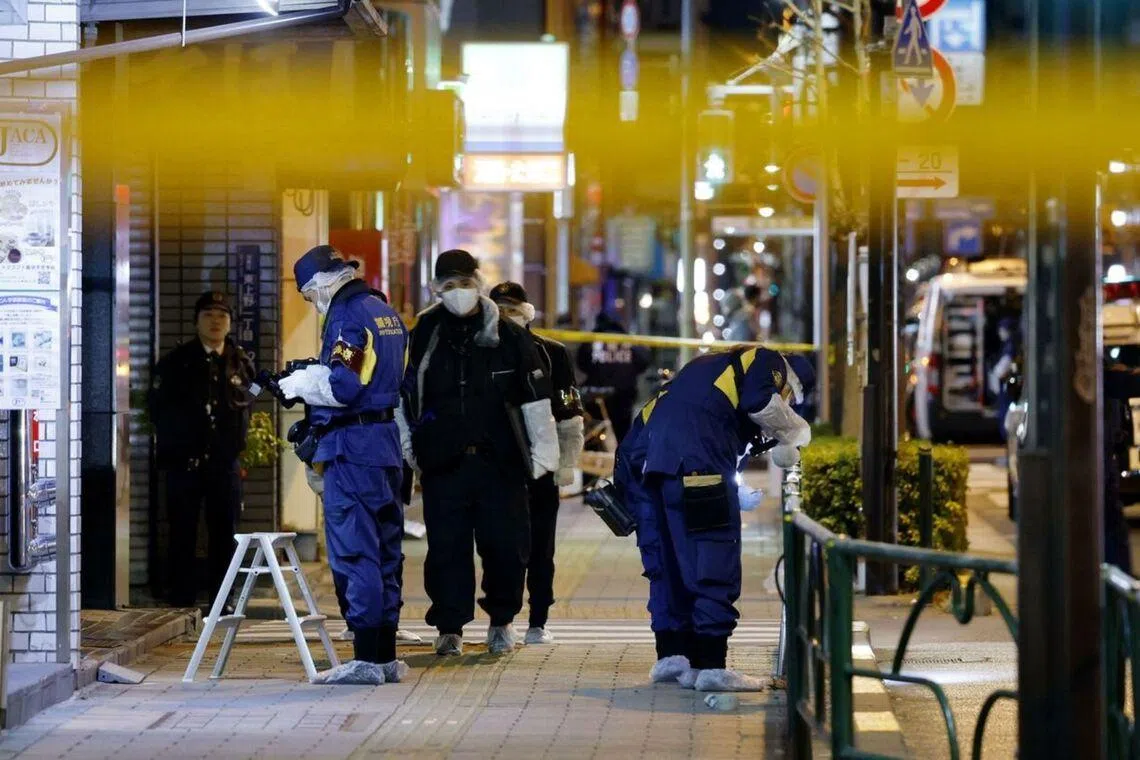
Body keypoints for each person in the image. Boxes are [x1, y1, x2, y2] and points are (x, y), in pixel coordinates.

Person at [397, 250, 559, 657]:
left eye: (465, 284)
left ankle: (501, 620)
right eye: (449, 286)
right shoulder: (425, 331)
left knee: (506, 547)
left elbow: (535, 399)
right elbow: (405, 394)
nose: (458, 293)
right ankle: (449, 626)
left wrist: (546, 457)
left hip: (500, 463)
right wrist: (411, 449)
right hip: (443, 463)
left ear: (478, 283)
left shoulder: (508, 334)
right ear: (436, 290)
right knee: (447, 550)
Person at [631, 346, 816, 692]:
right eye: (790, 398)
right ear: (791, 381)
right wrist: (795, 431)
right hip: (700, 469)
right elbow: (761, 404)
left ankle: (673, 658)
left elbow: (649, 423)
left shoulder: (708, 369)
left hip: (656, 467)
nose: (787, 404)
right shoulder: (767, 360)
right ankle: (711, 667)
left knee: (670, 566)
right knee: (713, 560)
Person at [276, 244, 408, 686]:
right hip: (385, 444)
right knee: (386, 552)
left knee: (357, 551)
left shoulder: (349, 316)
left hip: (354, 447)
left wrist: (302, 384)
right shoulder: (383, 311)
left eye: (310, 296)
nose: (313, 304)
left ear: (322, 283)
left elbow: (345, 386)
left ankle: (367, 658)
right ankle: (385, 656)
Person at [489, 282, 585, 645]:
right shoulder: (484, 351)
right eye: (499, 307)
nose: (506, 315)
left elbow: (569, 411)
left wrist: (566, 462)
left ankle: (538, 620)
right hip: (497, 465)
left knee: (541, 546)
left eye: (512, 308)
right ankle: (502, 620)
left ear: (526, 312)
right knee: (502, 545)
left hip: (540, 464)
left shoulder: (551, 353)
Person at [149, 291, 254, 614]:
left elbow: (249, 403)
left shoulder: (242, 363)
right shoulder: (176, 361)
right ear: (196, 321)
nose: (215, 321)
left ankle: (222, 600)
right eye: (208, 314)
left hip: (224, 465)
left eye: (222, 315)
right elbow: (158, 409)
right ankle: (181, 596)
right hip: (185, 462)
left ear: (230, 323)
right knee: (182, 529)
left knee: (225, 533)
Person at [577, 310, 650, 444]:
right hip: (624, 396)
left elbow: (582, 363)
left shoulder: (592, 341)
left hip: (597, 396)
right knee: (622, 435)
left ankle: (599, 461)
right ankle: (619, 461)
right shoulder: (629, 341)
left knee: (596, 435)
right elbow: (644, 361)